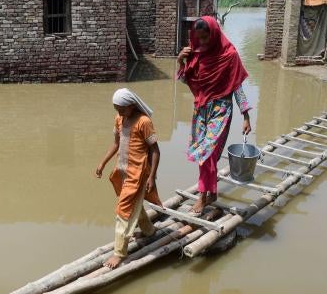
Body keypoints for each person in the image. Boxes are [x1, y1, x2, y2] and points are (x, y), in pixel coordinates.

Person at [177, 16, 253, 216]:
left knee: (207, 154)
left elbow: (237, 87)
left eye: (205, 38)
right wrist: (181, 61)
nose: (202, 42)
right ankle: (212, 192)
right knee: (205, 155)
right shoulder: (197, 53)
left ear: (214, 33)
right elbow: (188, 81)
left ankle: (202, 197)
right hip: (201, 110)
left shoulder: (229, 55)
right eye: (199, 38)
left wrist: (246, 116)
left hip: (220, 110)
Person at [96, 88, 163, 269]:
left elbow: (155, 150)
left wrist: (152, 176)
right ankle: (149, 231)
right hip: (122, 171)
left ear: (132, 105)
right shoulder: (119, 119)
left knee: (123, 211)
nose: (119, 112)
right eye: (116, 109)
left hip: (138, 174)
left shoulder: (144, 122)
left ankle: (119, 253)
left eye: (122, 109)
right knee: (134, 204)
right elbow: (116, 143)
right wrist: (103, 163)